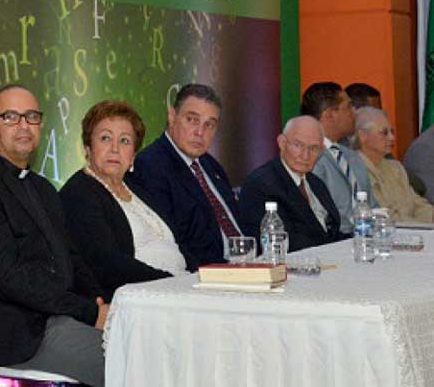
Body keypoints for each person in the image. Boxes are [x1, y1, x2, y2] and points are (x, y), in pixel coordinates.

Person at [0, 84, 107, 387]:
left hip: (56, 316)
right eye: (10, 117)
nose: (24, 125)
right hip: (13, 333)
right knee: (127, 356)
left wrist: (96, 298)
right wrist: (87, 312)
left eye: (32, 116)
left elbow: (71, 256)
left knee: (143, 342)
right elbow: (10, 276)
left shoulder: (43, 188)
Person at [59, 100, 185, 299]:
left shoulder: (137, 189)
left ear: (133, 154)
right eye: (105, 138)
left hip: (177, 287)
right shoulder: (78, 193)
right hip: (140, 297)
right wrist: (172, 283)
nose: (115, 148)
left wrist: (199, 276)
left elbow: (179, 245)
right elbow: (108, 265)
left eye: (124, 140)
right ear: (88, 147)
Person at [128, 83, 241, 270]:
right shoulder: (151, 166)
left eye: (209, 124)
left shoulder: (210, 165)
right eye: (192, 120)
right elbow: (173, 243)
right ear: (172, 116)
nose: (200, 132)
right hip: (206, 274)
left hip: (245, 265)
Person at [237, 116, 345, 252]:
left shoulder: (315, 183)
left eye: (313, 148)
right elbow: (280, 243)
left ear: (322, 151)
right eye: (298, 145)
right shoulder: (260, 185)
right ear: (282, 143)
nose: (305, 155)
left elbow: (331, 233)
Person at [305, 81, 377, 232]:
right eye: (348, 107)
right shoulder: (310, 159)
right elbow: (323, 214)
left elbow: (372, 205)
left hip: (368, 235)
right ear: (329, 114)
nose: (354, 113)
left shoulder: (352, 157)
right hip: (338, 239)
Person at [354, 107, 434, 223]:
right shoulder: (354, 170)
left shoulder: (395, 168)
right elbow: (383, 216)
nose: (392, 138)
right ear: (363, 136)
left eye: (392, 132)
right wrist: (419, 225)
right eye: (384, 132)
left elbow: (418, 205)